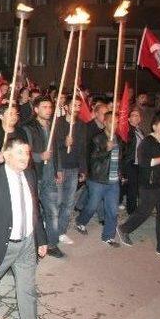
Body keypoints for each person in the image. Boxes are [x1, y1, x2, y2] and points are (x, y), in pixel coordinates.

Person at [0, 137, 48, 319]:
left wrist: (41, 238)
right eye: (20, 152)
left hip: (28, 243)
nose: (25, 157)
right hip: (3, 244)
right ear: (7, 155)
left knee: (27, 288)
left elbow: (34, 209)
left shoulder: (30, 174)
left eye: (27, 152)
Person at [117, 112, 160, 260]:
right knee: (143, 212)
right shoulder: (148, 142)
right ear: (155, 126)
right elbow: (145, 163)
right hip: (149, 184)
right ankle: (124, 228)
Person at [23, 95, 64, 258]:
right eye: (45, 107)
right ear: (36, 109)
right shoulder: (28, 128)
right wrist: (40, 156)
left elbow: (56, 150)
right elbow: (24, 153)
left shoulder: (53, 126)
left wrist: (58, 169)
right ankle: (33, 244)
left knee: (53, 211)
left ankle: (52, 244)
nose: (48, 110)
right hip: (35, 176)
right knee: (32, 213)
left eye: (50, 107)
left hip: (50, 176)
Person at [74, 112, 121, 247]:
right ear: (105, 122)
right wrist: (106, 149)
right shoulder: (97, 138)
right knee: (92, 206)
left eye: (117, 122)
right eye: (112, 122)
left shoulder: (118, 139)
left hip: (113, 181)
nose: (115, 125)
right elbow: (92, 158)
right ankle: (81, 221)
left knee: (112, 210)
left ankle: (108, 236)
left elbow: (119, 158)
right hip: (97, 180)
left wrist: (120, 173)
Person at [53, 96, 87, 245]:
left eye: (79, 105)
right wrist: (63, 142)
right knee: (57, 201)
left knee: (68, 202)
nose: (77, 108)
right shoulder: (58, 123)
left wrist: (83, 168)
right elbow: (52, 147)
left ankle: (61, 232)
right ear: (66, 107)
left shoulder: (81, 125)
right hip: (60, 167)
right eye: (74, 105)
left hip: (73, 168)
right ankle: (52, 231)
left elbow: (83, 148)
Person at [119, 107, 143, 214]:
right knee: (132, 187)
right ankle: (132, 210)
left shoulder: (140, 131)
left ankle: (119, 200)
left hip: (139, 163)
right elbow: (125, 146)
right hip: (130, 162)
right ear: (128, 119)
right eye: (133, 115)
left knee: (131, 185)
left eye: (138, 115)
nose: (136, 117)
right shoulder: (127, 131)